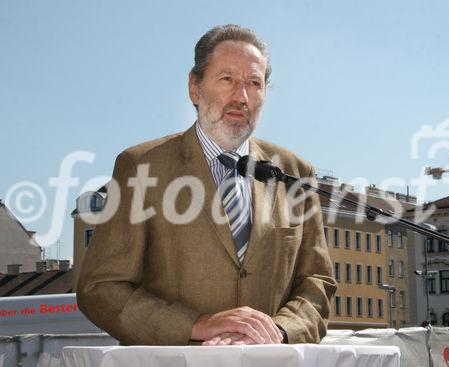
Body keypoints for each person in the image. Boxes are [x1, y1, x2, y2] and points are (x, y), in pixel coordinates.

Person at [77, 24, 336, 346]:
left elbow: (317, 281)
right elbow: (101, 287)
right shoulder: (141, 166)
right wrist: (196, 325)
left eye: (254, 83)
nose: (241, 97)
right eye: (227, 79)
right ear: (194, 88)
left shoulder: (295, 172)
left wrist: (280, 331)